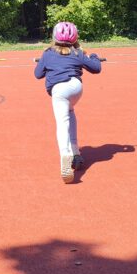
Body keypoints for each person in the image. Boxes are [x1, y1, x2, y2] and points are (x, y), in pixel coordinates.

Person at [34, 21, 102, 183]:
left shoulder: (48, 53)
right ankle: (76, 153)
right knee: (70, 113)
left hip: (60, 90)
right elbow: (96, 68)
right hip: (76, 88)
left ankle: (65, 155)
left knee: (62, 123)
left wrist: (43, 62)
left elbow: (38, 74)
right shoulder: (77, 53)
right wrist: (92, 56)